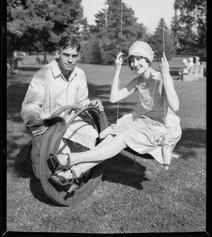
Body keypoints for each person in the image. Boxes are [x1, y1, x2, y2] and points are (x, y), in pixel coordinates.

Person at [49, 41, 182, 189]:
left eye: (139, 59)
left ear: (148, 59)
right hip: (144, 122)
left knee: (123, 136)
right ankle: (73, 173)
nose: (135, 64)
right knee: (112, 135)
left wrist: (166, 75)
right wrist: (117, 70)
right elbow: (114, 98)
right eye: (132, 60)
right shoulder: (138, 81)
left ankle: (71, 159)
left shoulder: (159, 78)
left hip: (162, 126)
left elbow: (175, 106)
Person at [21, 37, 104, 179]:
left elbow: (82, 101)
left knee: (98, 141)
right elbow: (30, 105)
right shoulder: (44, 73)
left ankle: (76, 167)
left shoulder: (80, 74)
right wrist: (33, 120)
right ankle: (37, 149)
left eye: (74, 56)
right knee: (49, 170)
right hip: (49, 126)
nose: (70, 60)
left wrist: (91, 105)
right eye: (66, 55)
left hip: (72, 122)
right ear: (58, 54)